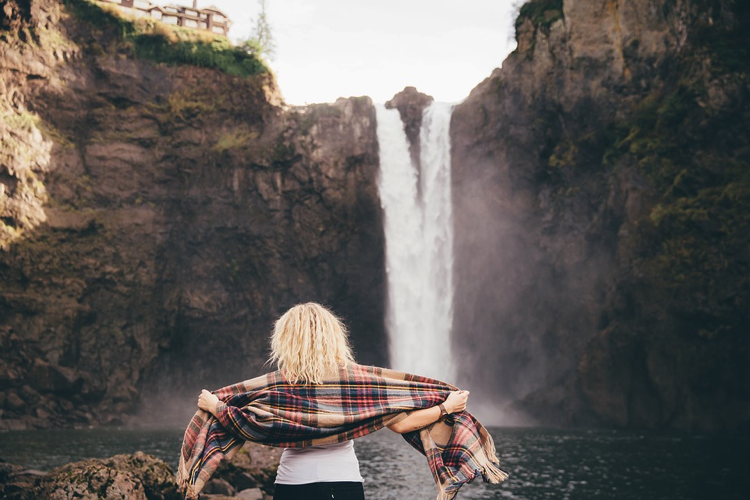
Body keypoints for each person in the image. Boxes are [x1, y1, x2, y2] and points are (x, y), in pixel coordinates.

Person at [196, 302, 470, 500]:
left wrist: (215, 406)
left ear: (286, 339)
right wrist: (446, 407)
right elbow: (401, 424)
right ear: (333, 336)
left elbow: (253, 426)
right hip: (343, 483)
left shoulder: (278, 384)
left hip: (292, 483)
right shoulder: (356, 380)